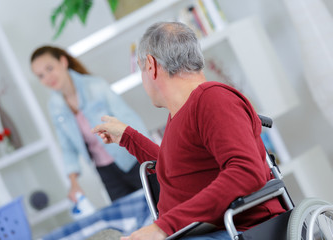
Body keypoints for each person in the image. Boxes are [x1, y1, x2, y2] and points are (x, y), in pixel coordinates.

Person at [93, 22, 286, 240]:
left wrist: (162, 228)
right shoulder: (182, 113)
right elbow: (178, 171)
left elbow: (246, 171)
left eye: (141, 71)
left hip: (239, 230)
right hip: (203, 231)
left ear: (151, 65)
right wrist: (128, 137)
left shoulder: (213, 100)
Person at [30, 46, 149, 203]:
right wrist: (73, 183)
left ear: (63, 62)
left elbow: (129, 120)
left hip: (132, 159)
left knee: (160, 206)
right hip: (106, 172)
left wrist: (151, 155)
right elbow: (67, 148)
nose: (48, 77)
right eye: (40, 75)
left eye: (50, 68)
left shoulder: (95, 86)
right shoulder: (54, 106)